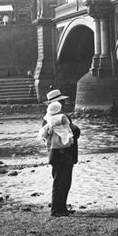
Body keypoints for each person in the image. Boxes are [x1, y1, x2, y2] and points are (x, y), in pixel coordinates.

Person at [37, 89, 80, 217]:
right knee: (62, 181)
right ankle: (57, 209)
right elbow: (74, 132)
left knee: (62, 181)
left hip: (57, 154)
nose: (64, 102)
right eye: (61, 100)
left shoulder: (48, 119)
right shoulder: (60, 117)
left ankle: (61, 208)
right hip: (63, 154)